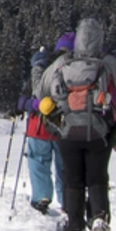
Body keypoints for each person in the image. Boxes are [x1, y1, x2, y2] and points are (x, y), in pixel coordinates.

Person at [38, 17, 116, 231]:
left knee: (73, 181)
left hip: (67, 131)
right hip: (98, 131)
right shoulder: (106, 62)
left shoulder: (63, 62)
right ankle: (99, 222)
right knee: (97, 179)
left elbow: (40, 90)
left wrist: (37, 66)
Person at [19, 32, 73, 214]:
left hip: (39, 124)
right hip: (65, 126)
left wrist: (24, 104)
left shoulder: (43, 65)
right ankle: (68, 201)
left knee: (38, 161)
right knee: (65, 165)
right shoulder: (77, 68)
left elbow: (29, 92)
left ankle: (41, 197)